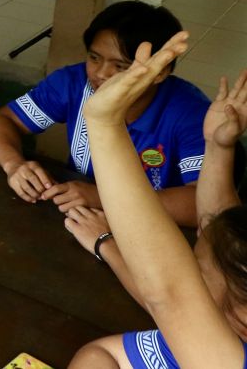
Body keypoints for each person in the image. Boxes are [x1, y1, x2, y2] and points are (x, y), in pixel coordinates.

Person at [67, 35, 247, 369]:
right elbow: (103, 354)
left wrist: (105, 124)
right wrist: (219, 148)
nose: (186, 271)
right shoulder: (213, 339)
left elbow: (169, 293)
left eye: (194, 271)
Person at [0, 1, 209, 226]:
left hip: (157, 232)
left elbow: (203, 204)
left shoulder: (190, 113)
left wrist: (100, 198)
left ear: (160, 72)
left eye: (120, 66)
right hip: (82, 218)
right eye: (94, 57)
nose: (101, 74)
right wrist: (14, 165)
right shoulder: (73, 83)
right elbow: (0, 122)